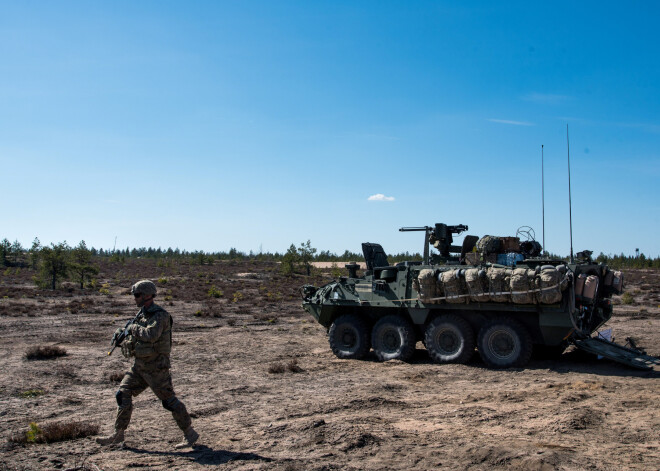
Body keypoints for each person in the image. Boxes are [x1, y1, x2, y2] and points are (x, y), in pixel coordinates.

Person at [96, 280, 199, 448]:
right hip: (140, 366)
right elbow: (134, 334)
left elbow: (151, 334)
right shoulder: (141, 315)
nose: (134, 299)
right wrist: (121, 334)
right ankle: (118, 434)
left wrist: (133, 329)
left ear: (147, 296)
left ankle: (189, 433)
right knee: (122, 394)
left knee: (169, 401)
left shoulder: (160, 315)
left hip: (156, 367)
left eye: (137, 295)